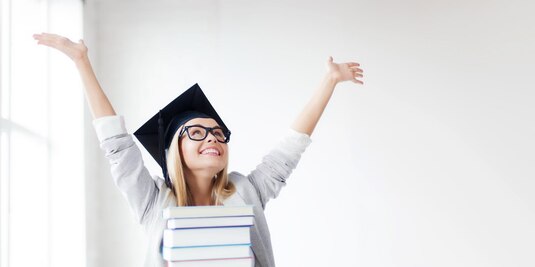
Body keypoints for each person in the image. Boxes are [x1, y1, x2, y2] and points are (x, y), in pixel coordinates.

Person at [33, 32, 364, 267]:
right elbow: (117, 146)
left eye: (219, 133)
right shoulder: (153, 201)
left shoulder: (246, 192)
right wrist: (81, 61)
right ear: (175, 147)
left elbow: (288, 151)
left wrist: (329, 82)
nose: (213, 138)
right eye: (198, 132)